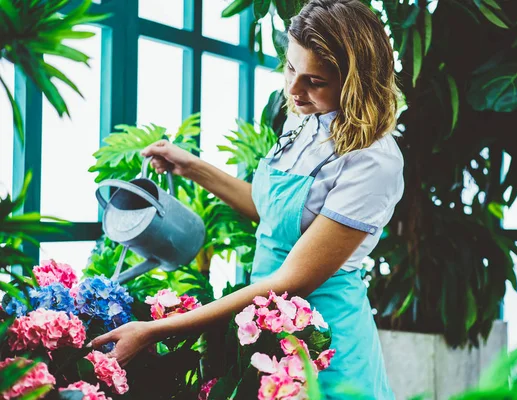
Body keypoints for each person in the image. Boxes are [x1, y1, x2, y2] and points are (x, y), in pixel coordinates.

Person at [91, 0, 404, 398]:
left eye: (315, 81)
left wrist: (155, 330)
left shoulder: (373, 161)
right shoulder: (306, 118)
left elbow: (290, 281)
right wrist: (190, 166)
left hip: (327, 345)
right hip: (271, 331)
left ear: (355, 82)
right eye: (291, 68)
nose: (293, 89)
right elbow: (274, 213)